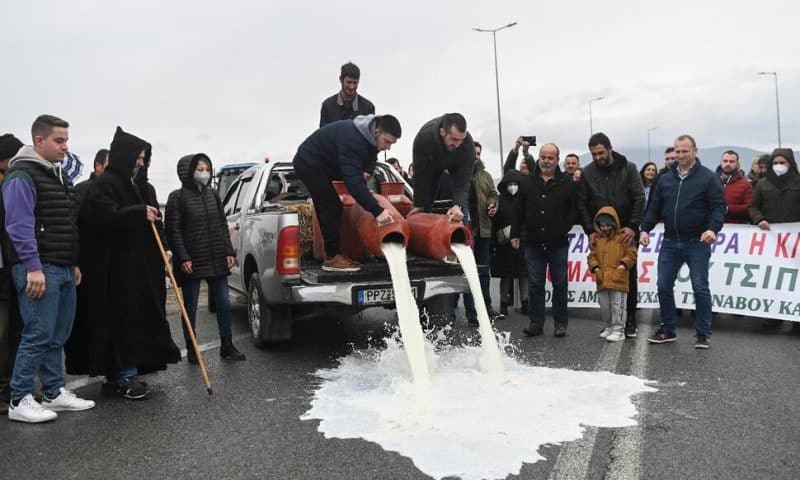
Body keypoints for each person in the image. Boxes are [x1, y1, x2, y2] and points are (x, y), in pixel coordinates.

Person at [66, 126, 181, 400]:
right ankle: (121, 377)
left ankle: (124, 373)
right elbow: (104, 217)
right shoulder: (105, 184)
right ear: (126, 157)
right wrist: (139, 212)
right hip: (111, 272)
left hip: (130, 270)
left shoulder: (130, 184)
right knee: (117, 324)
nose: (142, 163)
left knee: (131, 322)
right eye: (139, 158)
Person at [1, 115, 95, 423]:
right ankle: (18, 398)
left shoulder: (58, 175)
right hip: (39, 269)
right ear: (39, 140)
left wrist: (74, 262)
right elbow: (18, 225)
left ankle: (54, 392)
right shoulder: (21, 175)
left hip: (63, 266)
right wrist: (33, 267)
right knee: (38, 334)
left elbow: (65, 223)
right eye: (59, 140)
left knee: (57, 334)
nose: (65, 147)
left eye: (67, 140)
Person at [640, 134, 725, 349]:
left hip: (697, 242)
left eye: (685, 151)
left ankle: (703, 334)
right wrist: (645, 229)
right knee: (663, 284)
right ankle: (668, 329)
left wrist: (712, 229)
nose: (681, 155)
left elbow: (718, 207)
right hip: (670, 242)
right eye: (677, 151)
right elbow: (654, 207)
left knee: (700, 287)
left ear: (695, 151)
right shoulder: (664, 179)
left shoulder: (708, 177)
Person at [294, 114, 400, 272]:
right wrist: (377, 211)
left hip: (327, 164)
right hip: (309, 163)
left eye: (391, 144)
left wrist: (364, 173)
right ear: (377, 131)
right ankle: (331, 258)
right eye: (387, 142)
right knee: (331, 205)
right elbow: (353, 184)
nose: (388, 148)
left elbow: (367, 163)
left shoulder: (369, 139)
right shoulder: (353, 139)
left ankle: (332, 254)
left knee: (329, 204)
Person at [166, 154, 245, 363]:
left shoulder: (213, 195)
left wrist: (229, 251)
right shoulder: (178, 198)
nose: (204, 172)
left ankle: (227, 345)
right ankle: (192, 348)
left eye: (207, 168)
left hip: (217, 257)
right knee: (190, 307)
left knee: (223, 303)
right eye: (199, 168)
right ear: (188, 172)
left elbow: (222, 224)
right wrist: (183, 257)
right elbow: (173, 231)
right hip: (192, 260)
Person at [578, 133, 645, 338]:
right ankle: (611, 323)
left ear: (609, 148)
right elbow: (582, 203)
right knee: (605, 278)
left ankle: (630, 319)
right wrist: (590, 229)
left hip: (625, 231)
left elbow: (639, 198)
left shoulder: (629, 168)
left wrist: (633, 226)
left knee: (626, 277)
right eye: (593, 154)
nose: (597, 157)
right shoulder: (588, 173)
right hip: (602, 233)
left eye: (600, 152)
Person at [511, 143, 578, 337]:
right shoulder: (526, 182)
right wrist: (515, 233)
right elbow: (518, 209)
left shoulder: (567, 182)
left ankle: (560, 324)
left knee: (559, 284)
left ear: (558, 160)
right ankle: (536, 323)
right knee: (535, 284)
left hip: (558, 243)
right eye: (543, 157)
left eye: (550, 157)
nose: (546, 161)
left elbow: (574, 210)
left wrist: (563, 227)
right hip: (532, 242)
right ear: (538, 157)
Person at [463, 142, 502, 324]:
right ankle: (471, 312)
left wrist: (493, 204)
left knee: (484, 272)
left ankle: (486, 308)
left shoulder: (485, 176)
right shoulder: (459, 174)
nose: (476, 156)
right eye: (473, 153)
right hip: (464, 234)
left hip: (483, 231)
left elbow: (493, 195)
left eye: (478, 153)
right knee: (468, 273)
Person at [410, 113, 475, 221]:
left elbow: (464, 180)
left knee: (460, 206)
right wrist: (419, 204)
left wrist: (457, 205)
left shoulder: (467, 145)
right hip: (431, 166)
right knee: (424, 204)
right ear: (442, 132)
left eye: (461, 140)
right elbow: (419, 174)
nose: (458, 144)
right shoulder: (424, 137)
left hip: (456, 166)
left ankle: (461, 233)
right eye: (454, 139)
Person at [0, 133, 24, 415]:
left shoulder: (16, 183)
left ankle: (15, 388)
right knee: (3, 336)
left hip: (14, 269)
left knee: (18, 332)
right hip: (3, 272)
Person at [588, 206, 638, 342]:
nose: (604, 228)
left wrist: (622, 266)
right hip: (602, 280)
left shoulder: (623, 238)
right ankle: (609, 326)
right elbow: (592, 256)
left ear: (613, 223)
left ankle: (618, 330)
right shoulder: (598, 240)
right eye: (602, 225)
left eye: (607, 225)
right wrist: (596, 268)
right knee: (605, 306)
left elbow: (632, 254)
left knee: (618, 306)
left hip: (618, 280)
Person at [491, 168, 529, 315]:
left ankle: (525, 303)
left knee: (523, 274)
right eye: (510, 184)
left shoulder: (525, 200)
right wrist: (495, 242)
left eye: (515, 183)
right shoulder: (499, 201)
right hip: (504, 245)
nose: (513, 186)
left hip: (522, 242)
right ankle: (503, 304)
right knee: (505, 275)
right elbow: (494, 222)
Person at [749, 148, 800, 230]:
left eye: (782, 163)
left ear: (790, 163)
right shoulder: (762, 183)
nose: (778, 165)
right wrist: (759, 220)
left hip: (794, 233)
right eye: (775, 163)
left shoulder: (798, 182)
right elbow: (753, 207)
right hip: (770, 232)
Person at [319, 62, 375, 127]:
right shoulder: (327, 106)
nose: (352, 87)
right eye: (349, 82)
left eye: (355, 83)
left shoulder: (368, 108)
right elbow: (322, 135)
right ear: (341, 80)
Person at [717, 150, 753, 224]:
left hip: (736, 229)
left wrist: (728, 209)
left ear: (737, 164)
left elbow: (750, 207)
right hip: (712, 228)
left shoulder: (745, 185)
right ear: (721, 162)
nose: (728, 164)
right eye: (725, 161)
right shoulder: (711, 182)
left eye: (731, 161)